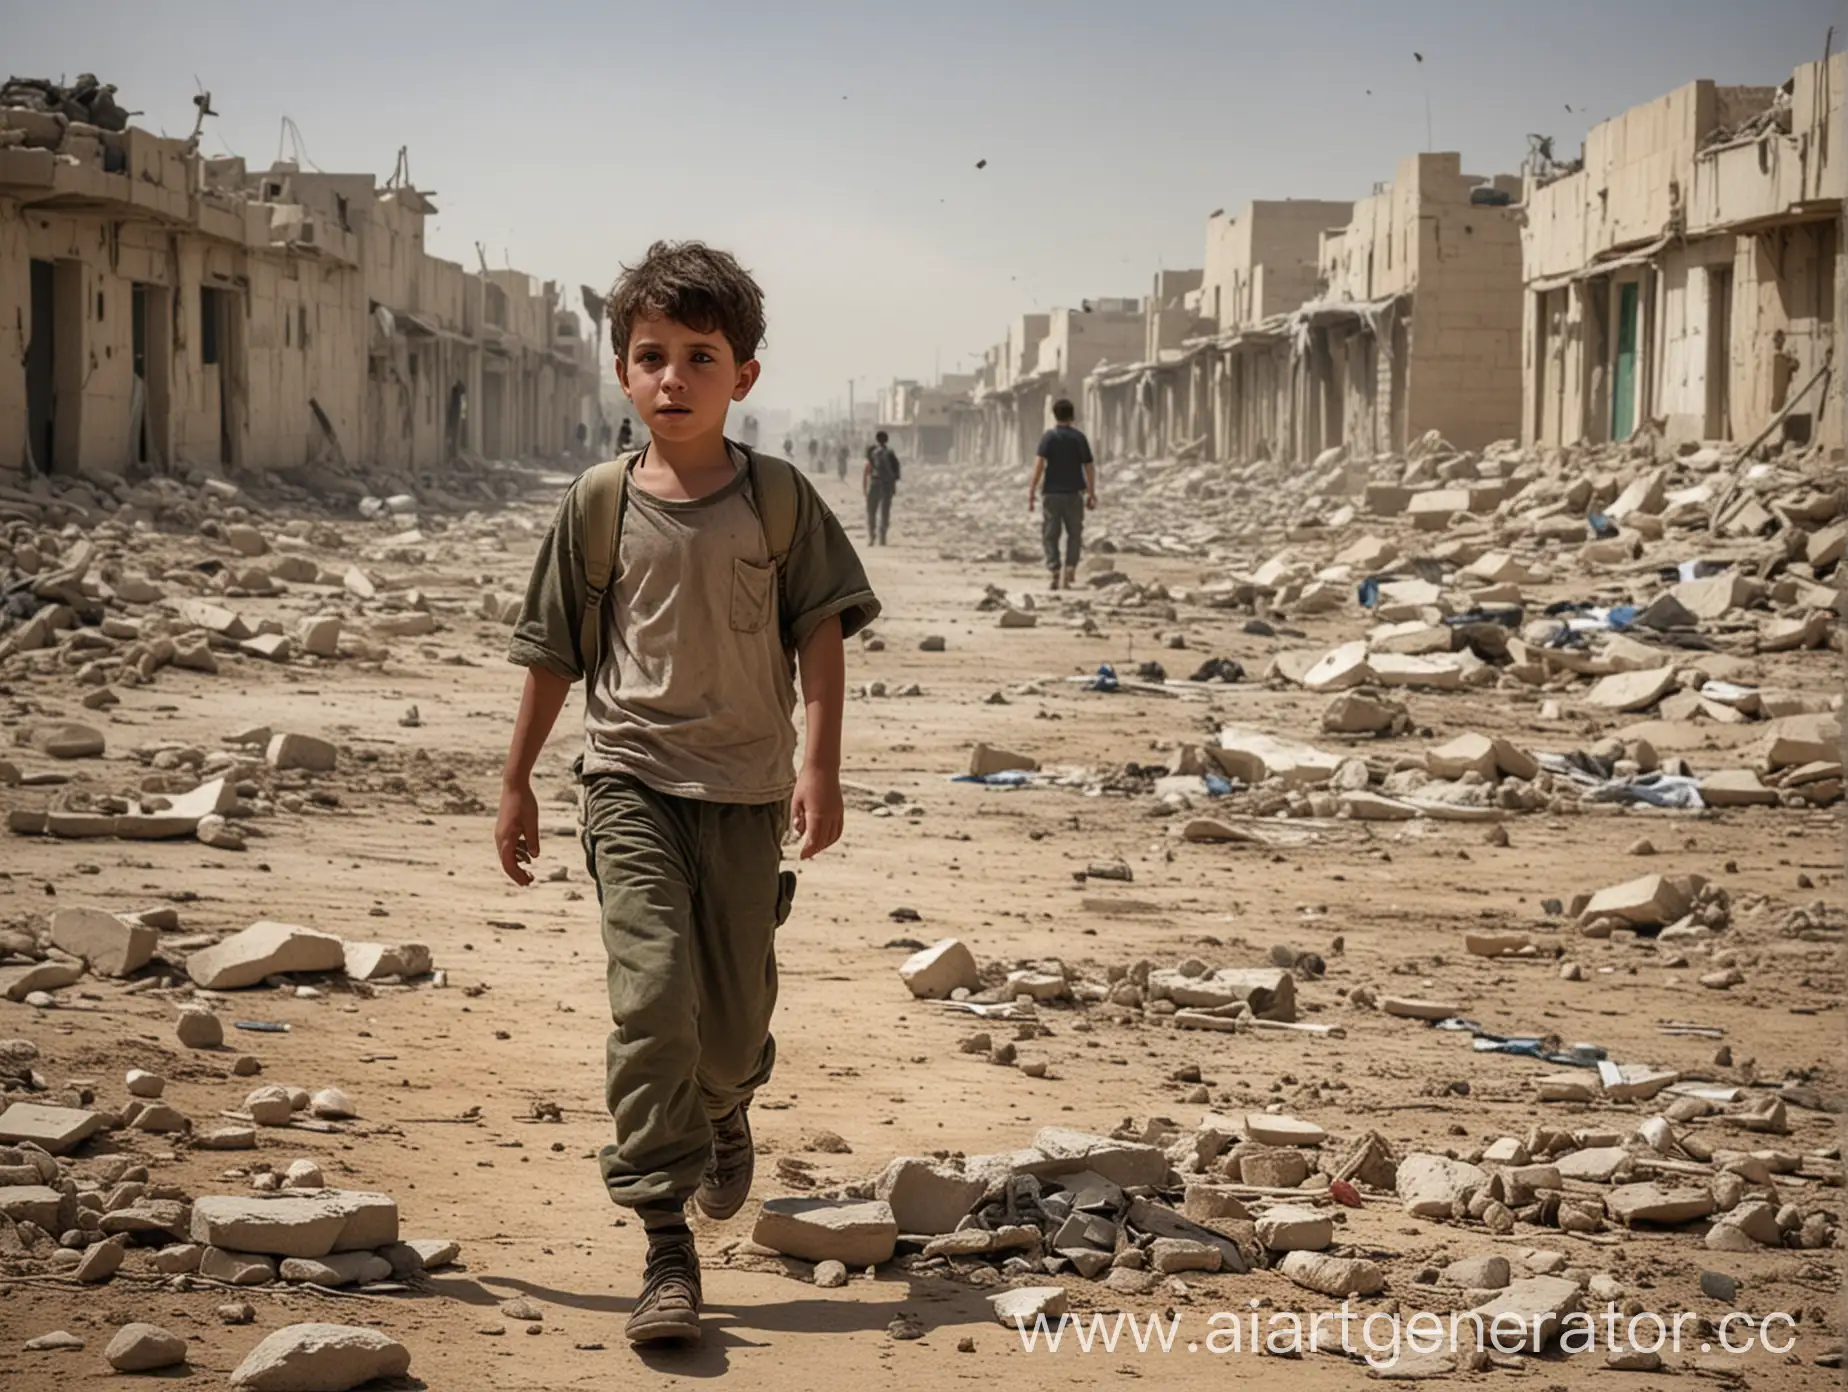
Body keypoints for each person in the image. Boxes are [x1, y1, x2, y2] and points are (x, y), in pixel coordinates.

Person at [497, 241, 879, 1347]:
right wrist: (517, 779)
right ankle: (663, 1240)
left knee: (731, 1029)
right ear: (622, 372)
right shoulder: (598, 503)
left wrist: (820, 764)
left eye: (698, 358)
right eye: (651, 356)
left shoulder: (779, 499)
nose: (673, 378)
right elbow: (552, 651)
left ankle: (726, 1109)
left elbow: (820, 628)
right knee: (652, 993)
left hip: (750, 789)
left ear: (742, 377)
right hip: (630, 781)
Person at [1027, 397, 1095, 589]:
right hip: (1074, 494)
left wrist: (1032, 491)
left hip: (1051, 495)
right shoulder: (1079, 438)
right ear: (1072, 416)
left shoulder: (1048, 437)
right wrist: (1091, 492)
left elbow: (1039, 466)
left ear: (1054, 415)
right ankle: (1071, 568)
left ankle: (1054, 568)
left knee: (1050, 534)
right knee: (1075, 533)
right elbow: (1089, 466)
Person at [862, 430, 900, 545]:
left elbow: (869, 468)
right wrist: (893, 485)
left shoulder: (872, 452)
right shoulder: (890, 453)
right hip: (887, 485)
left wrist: (865, 487)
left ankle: (872, 536)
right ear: (886, 440)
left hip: (874, 484)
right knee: (884, 512)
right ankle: (882, 537)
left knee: (871, 511)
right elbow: (896, 471)